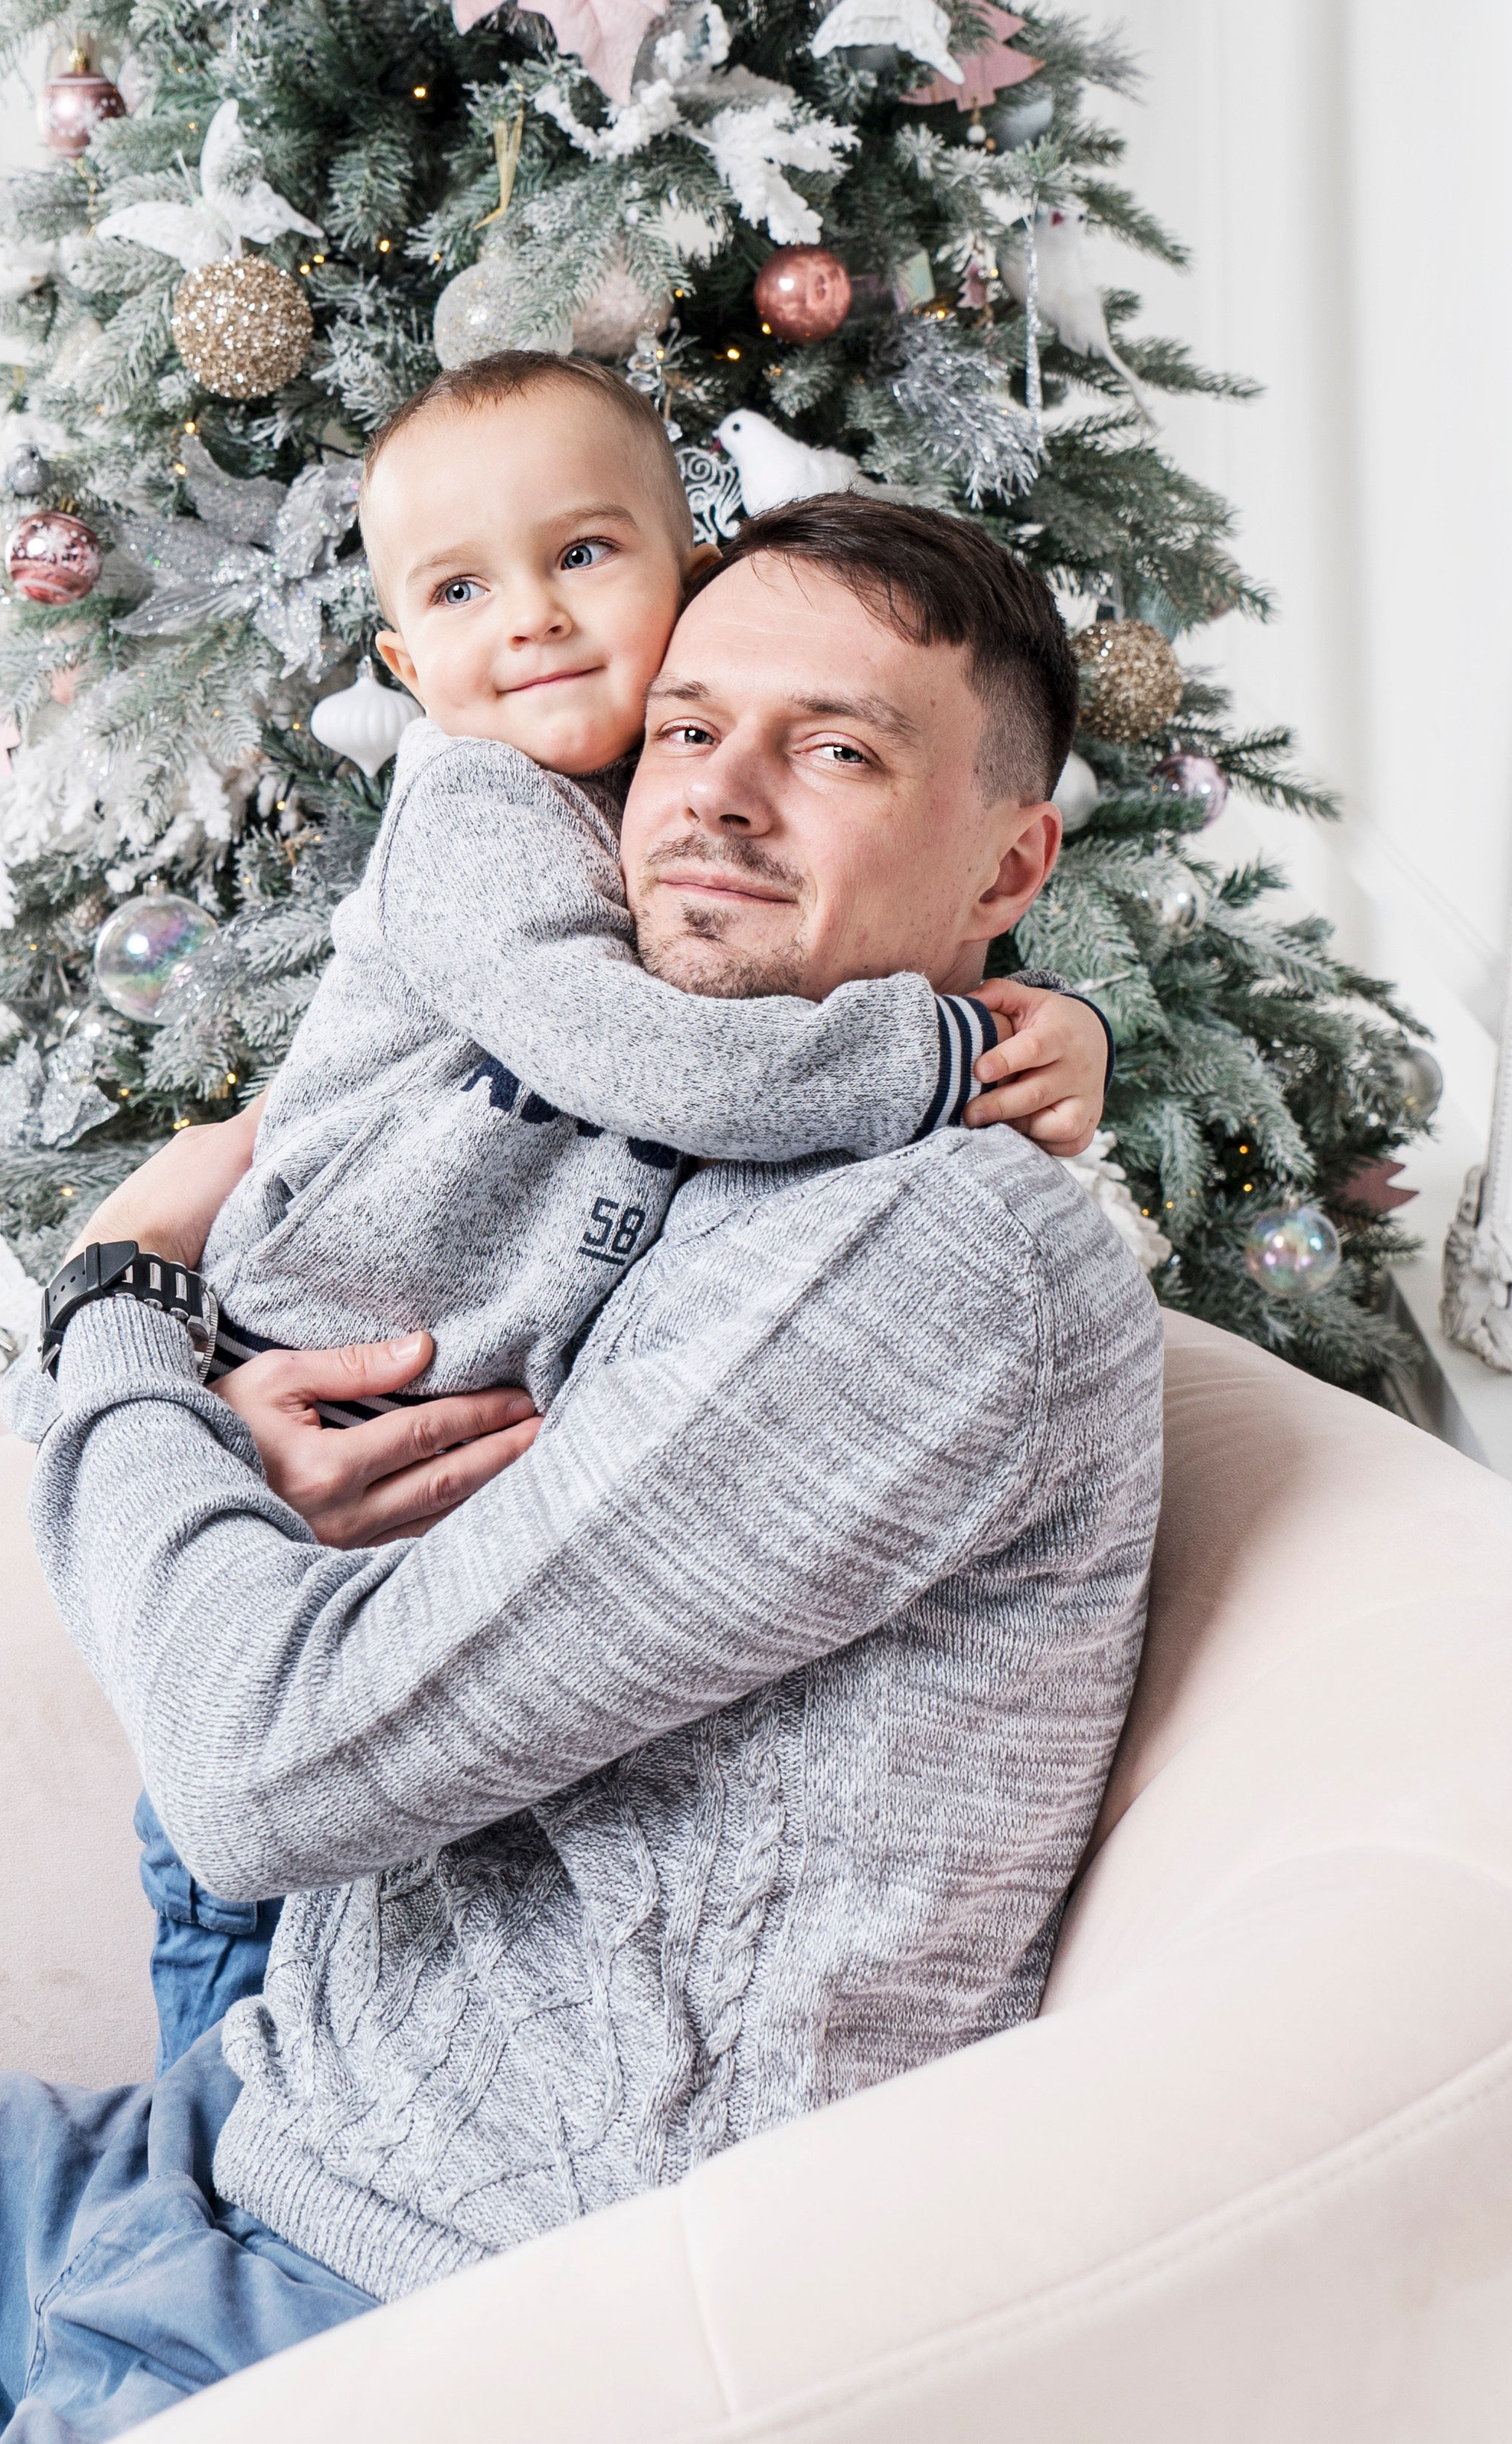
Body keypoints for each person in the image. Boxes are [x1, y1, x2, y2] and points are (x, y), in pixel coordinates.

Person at [0, 491, 1165, 2444]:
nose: (720, 801)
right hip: (229, 2150)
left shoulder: (943, 1256)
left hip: (422, 2315)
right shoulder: (658, 1106)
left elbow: (266, 1768)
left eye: (841, 748)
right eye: (687, 731)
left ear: (1011, 866)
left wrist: (112, 1323)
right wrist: (236, 1428)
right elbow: (322, 1346)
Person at [78, 351, 1113, 2067]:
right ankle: (209, 2145)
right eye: (464, 590)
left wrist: (1056, 1014)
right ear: (409, 665)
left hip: (381, 1549)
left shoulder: (922, 1224)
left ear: (675, 572)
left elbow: (816, 940)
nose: (540, 625)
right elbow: (683, 1055)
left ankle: (216, 2164)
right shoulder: (478, 813)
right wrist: (946, 1041)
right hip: (295, 1368)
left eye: (585, 558)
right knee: (220, 2000)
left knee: (244, 2040)